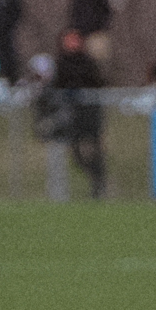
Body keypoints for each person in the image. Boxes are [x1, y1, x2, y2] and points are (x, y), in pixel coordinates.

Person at [47, 26, 106, 199]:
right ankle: (92, 182)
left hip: (89, 114)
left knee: (95, 152)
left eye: (75, 39)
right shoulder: (59, 62)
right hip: (71, 117)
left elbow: (97, 82)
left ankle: (98, 186)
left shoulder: (88, 62)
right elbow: (56, 85)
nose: (72, 43)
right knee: (77, 153)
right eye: (69, 39)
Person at [67, 0, 114, 69]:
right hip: (80, 32)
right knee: (77, 63)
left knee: (98, 63)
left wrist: (101, 26)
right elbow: (75, 9)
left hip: (97, 32)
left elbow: (105, 10)